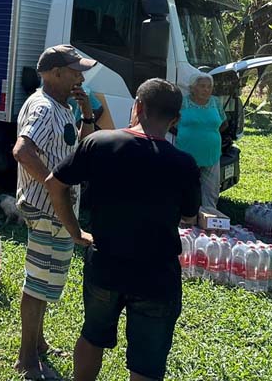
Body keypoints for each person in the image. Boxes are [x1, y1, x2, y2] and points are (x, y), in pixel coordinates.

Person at [45, 79, 200, 381]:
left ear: (138, 106)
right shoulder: (184, 164)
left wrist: (75, 232)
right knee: (146, 363)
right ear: (175, 120)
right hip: (157, 276)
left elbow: (55, 184)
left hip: (105, 266)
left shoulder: (100, 143)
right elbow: (190, 218)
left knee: (92, 336)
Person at [12, 44, 98, 381]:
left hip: (57, 209)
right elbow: (22, 150)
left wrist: (87, 114)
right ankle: (26, 358)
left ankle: (40, 344)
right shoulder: (44, 107)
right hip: (46, 209)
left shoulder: (61, 107)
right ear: (55, 73)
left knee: (46, 280)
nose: (81, 77)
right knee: (37, 283)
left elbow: (77, 149)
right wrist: (52, 184)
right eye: (75, 71)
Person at [175, 72, 227, 210]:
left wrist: (208, 134)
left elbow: (223, 123)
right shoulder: (183, 103)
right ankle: (184, 218)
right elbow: (171, 123)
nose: (206, 89)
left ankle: (208, 217)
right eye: (202, 86)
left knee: (211, 189)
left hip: (212, 152)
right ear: (192, 88)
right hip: (187, 151)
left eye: (209, 87)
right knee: (185, 186)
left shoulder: (215, 102)